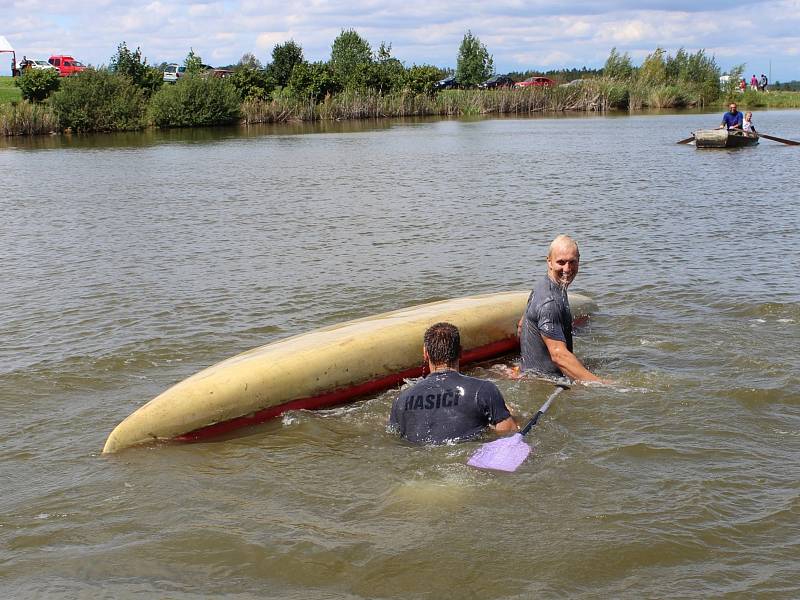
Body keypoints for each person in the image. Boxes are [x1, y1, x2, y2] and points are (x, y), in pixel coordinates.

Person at [388, 322, 517, 444]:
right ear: (460, 352)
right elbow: (509, 432)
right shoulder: (483, 390)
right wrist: (510, 414)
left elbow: (395, 438)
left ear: (425, 354)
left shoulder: (401, 400)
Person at [518, 235, 604, 383]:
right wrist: (604, 385)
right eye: (561, 262)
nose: (567, 269)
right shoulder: (550, 302)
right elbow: (559, 356)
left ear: (579, 261)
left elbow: (521, 326)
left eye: (572, 262)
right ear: (549, 262)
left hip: (533, 376)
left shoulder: (543, 285)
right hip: (546, 383)